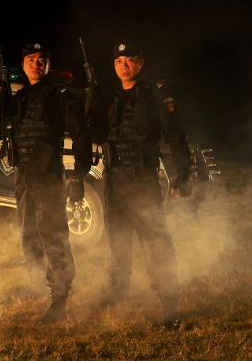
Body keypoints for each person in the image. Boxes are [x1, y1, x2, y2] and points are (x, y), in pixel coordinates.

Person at [87, 42, 193, 330]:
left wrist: (183, 173)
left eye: (130, 60)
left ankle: (170, 306)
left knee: (156, 242)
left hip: (143, 179)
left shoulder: (155, 94)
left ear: (140, 63)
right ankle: (119, 291)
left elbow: (175, 135)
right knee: (117, 239)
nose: (124, 66)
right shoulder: (108, 97)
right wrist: (91, 106)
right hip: (113, 179)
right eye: (119, 61)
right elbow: (95, 134)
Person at [0, 43, 93, 323]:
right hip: (23, 175)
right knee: (28, 232)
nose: (36, 64)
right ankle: (36, 283)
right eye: (31, 60)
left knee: (53, 234)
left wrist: (79, 175)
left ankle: (60, 297)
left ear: (48, 65)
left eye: (42, 60)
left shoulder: (59, 96)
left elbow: (81, 135)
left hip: (47, 175)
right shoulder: (18, 98)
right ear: (23, 65)